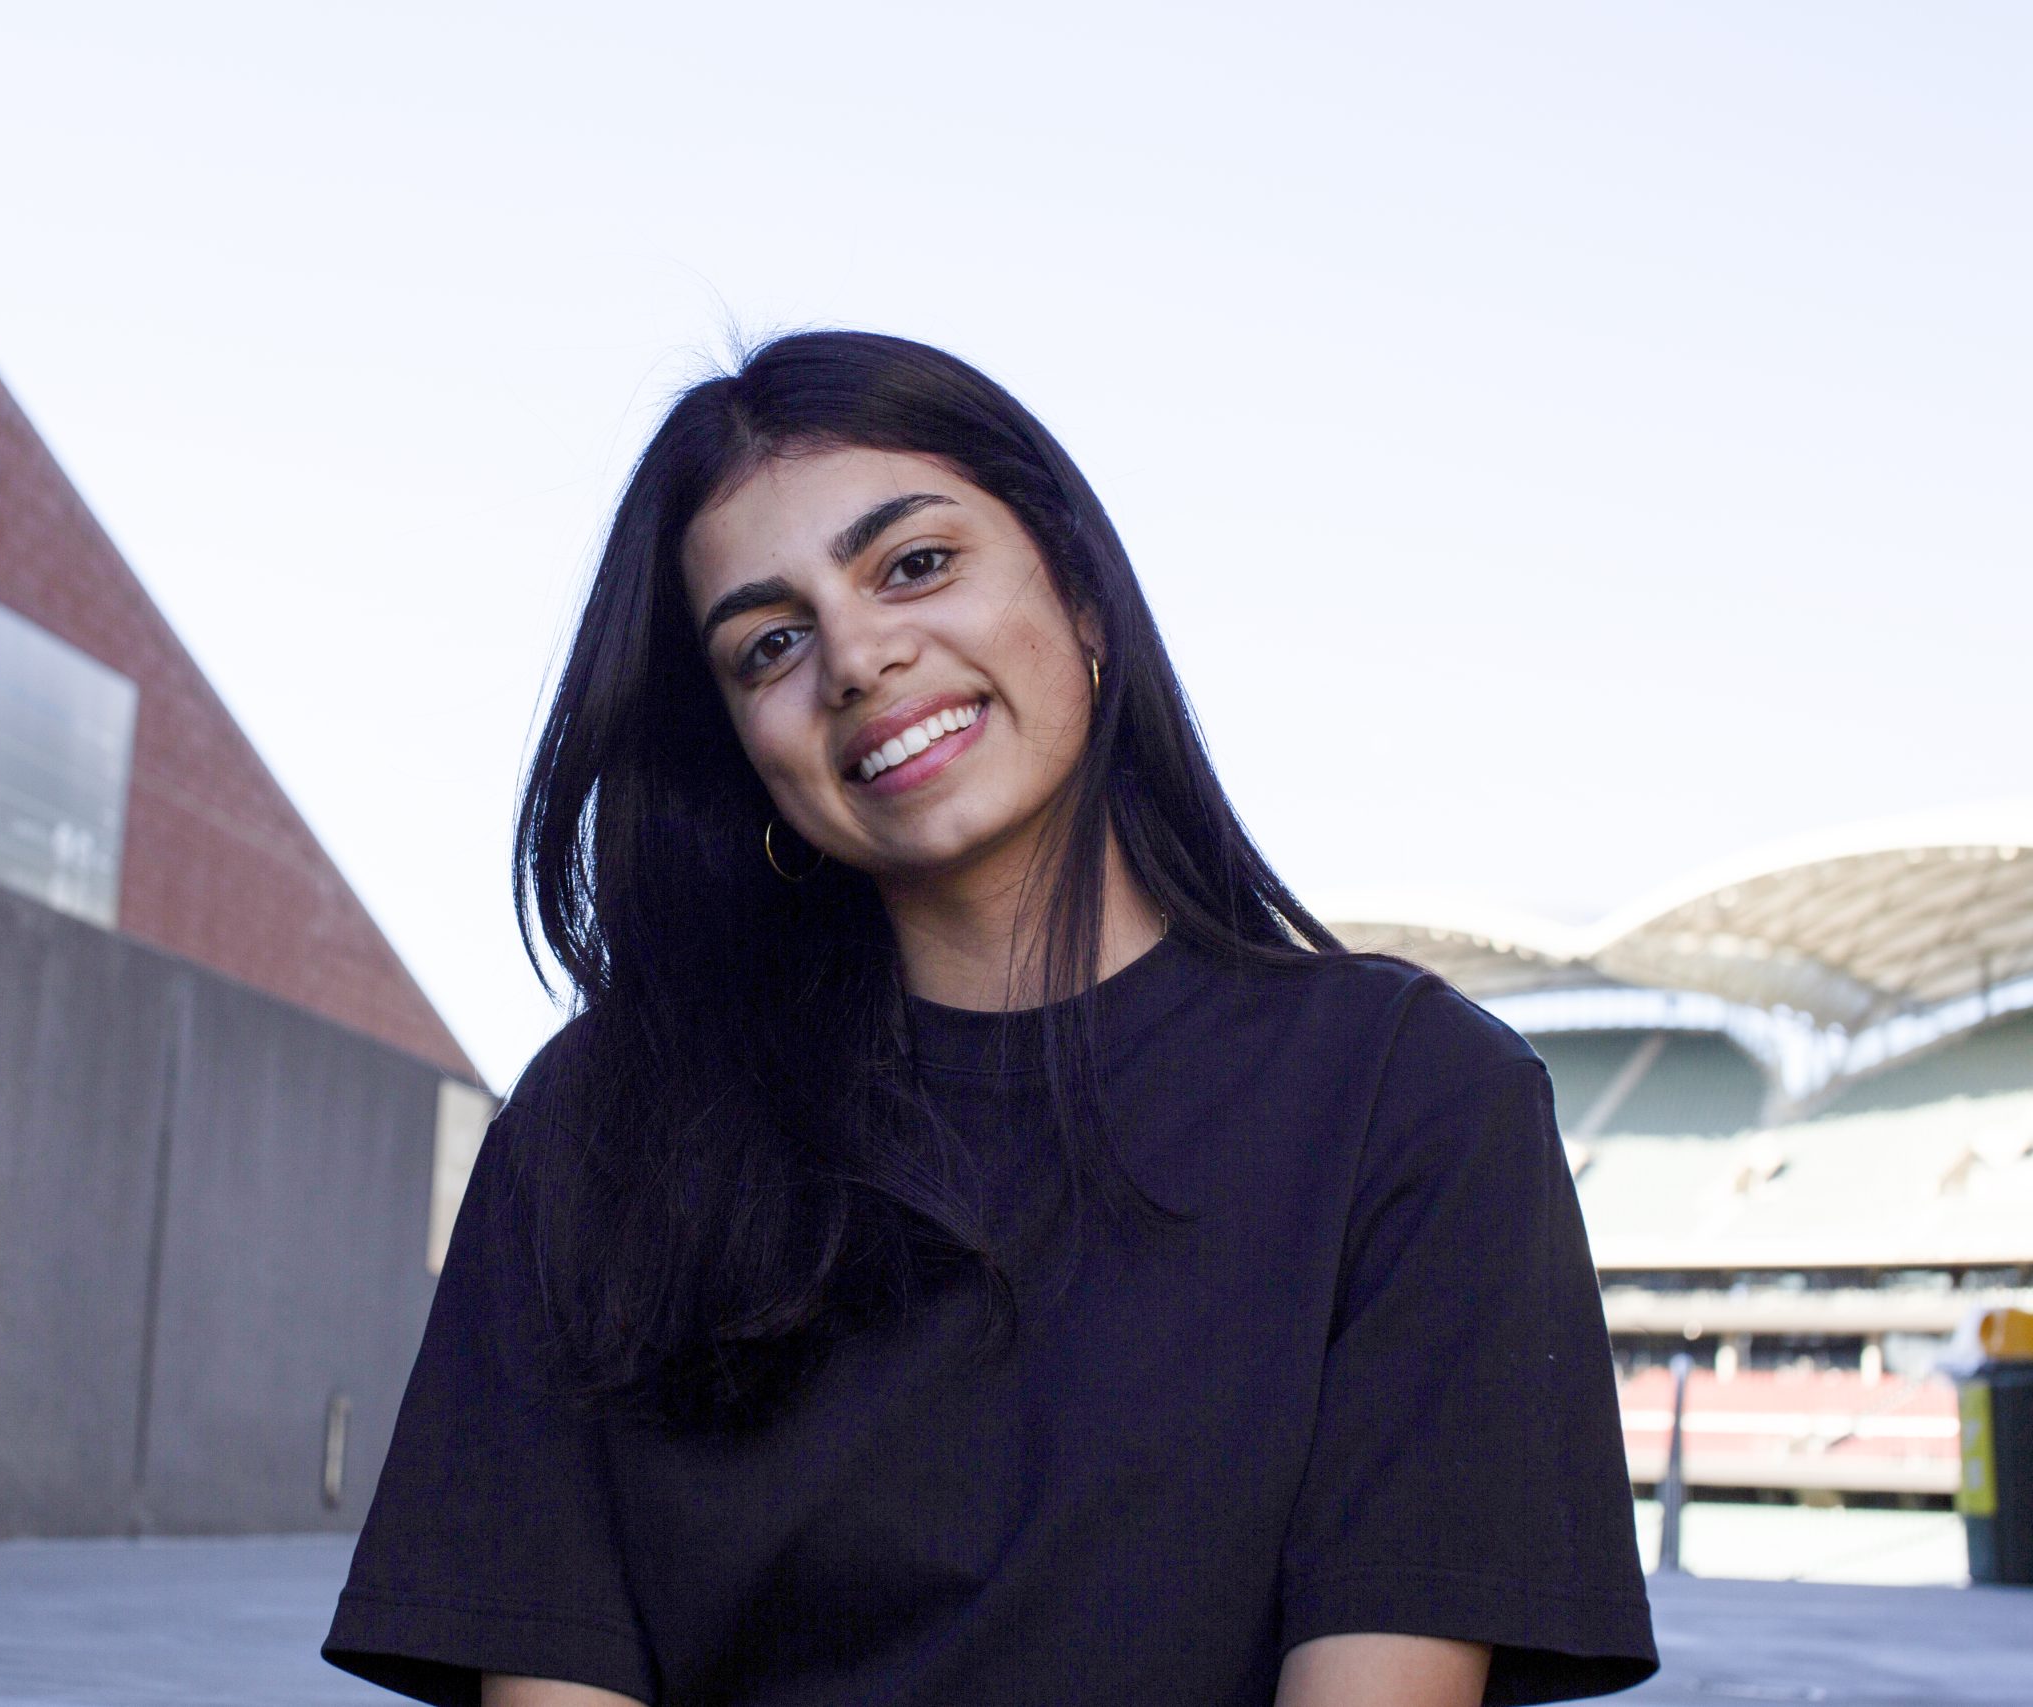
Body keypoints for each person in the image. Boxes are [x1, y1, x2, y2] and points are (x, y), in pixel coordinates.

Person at [324, 331, 1656, 1706]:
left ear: (1084, 598)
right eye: (770, 644)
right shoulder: (599, 1132)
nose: (857, 658)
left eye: (914, 564)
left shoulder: (1416, 1100)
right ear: (739, 747)